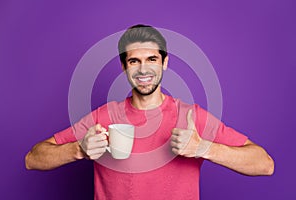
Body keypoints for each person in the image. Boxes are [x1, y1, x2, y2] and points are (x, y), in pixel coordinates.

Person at [25, 24, 274, 200]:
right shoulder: (102, 117)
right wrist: (78, 149)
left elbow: (265, 164)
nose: (144, 69)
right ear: (124, 66)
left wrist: (204, 148)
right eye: (134, 61)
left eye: (152, 59)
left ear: (164, 63)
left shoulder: (191, 116)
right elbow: (32, 159)